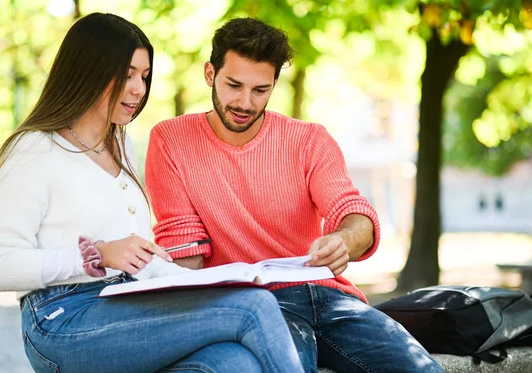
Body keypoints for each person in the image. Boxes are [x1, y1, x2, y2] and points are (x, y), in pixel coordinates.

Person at [0, 13, 304, 373]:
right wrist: (96, 255)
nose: (138, 89)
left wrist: (216, 281)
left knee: (234, 363)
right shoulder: (33, 149)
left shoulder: (120, 145)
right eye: (127, 75)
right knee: (252, 307)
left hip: (124, 302)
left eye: (144, 77)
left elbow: (140, 262)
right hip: (60, 319)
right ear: (87, 70)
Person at [145, 17, 444, 373]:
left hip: (332, 300)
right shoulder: (170, 140)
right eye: (234, 85)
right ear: (210, 74)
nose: (244, 102)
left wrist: (342, 240)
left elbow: (353, 212)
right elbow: (185, 257)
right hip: (254, 306)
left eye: (260, 90)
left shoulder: (308, 140)